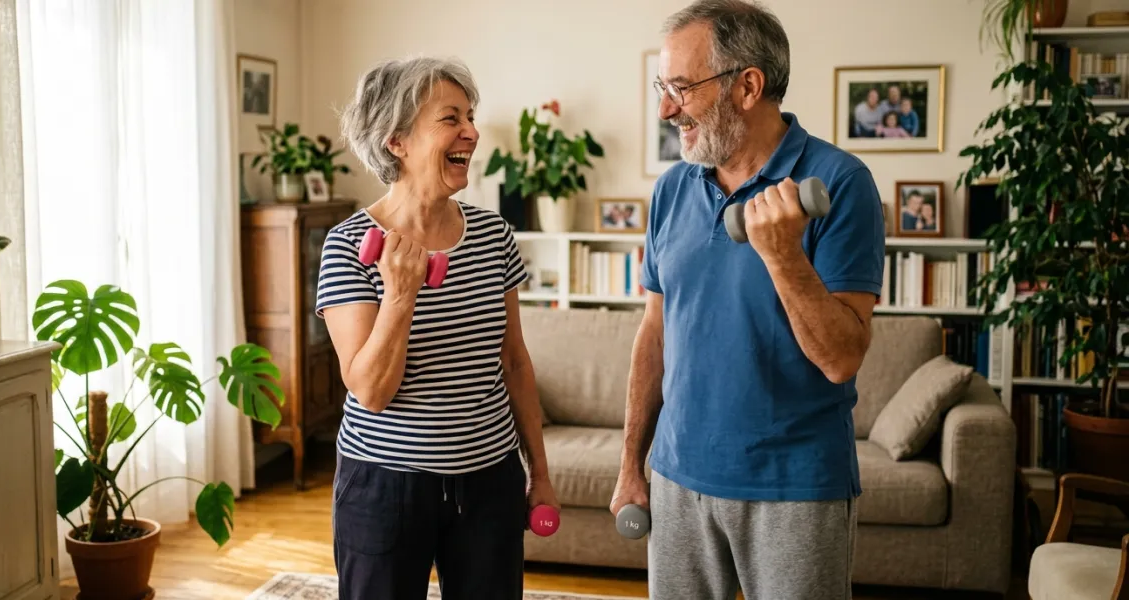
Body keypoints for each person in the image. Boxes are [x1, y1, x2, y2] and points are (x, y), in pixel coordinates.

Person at [609, 2, 885, 599]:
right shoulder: (672, 190)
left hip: (794, 486)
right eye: (663, 87)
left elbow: (842, 357)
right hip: (678, 478)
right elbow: (654, 333)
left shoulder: (839, 183)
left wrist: (783, 254)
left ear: (748, 86)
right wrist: (634, 463)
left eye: (680, 88)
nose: (664, 109)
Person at [316, 56, 559, 600]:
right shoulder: (347, 247)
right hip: (383, 484)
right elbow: (371, 391)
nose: (471, 132)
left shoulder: (494, 236)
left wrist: (537, 473)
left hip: (489, 478)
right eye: (451, 119)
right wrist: (400, 294)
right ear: (396, 139)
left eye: (470, 117)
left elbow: (515, 361)